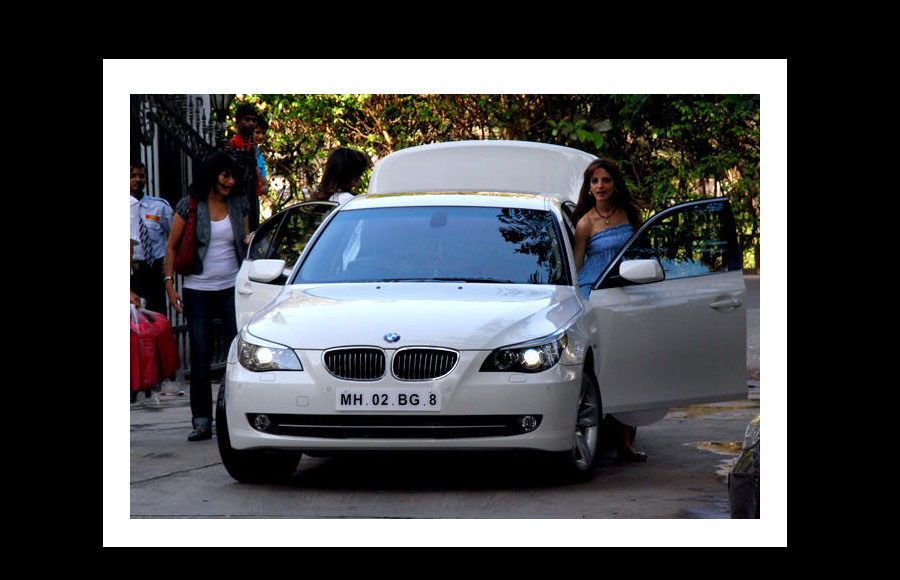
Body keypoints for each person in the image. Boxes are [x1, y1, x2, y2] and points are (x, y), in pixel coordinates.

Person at [163, 151, 250, 441]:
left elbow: (245, 246)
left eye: (232, 176)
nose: (230, 181)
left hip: (231, 288)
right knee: (199, 356)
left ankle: (236, 416)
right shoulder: (189, 206)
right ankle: (202, 420)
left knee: (238, 354)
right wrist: (170, 284)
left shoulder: (238, 204)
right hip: (197, 290)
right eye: (225, 175)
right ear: (212, 175)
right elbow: (172, 247)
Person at [571, 158, 648, 463]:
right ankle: (595, 433)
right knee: (606, 367)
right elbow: (577, 266)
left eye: (605, 180)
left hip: (629, 291)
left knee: (632, 363)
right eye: (594, 181)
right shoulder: (585, 223)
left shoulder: (629, 213)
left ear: (615, 183)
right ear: (588, 188)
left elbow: (643, 251)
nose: (600, 186)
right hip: (599, 296)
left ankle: (626, 442)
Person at [130, 161, 174, 315]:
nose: (137, 179)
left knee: (157, 316)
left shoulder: (159, 206)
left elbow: (175, 237)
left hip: (153, 272)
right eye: (133, 176)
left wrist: (169, 265)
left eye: (141, 176)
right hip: (131, 273)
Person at [228, 104, 263, 232]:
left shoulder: (252, 144)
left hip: (253, 193)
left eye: (253, 120)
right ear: (239, 122)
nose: (251, 123)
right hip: (240, 193)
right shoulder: (234, 142)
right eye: (247, 120)